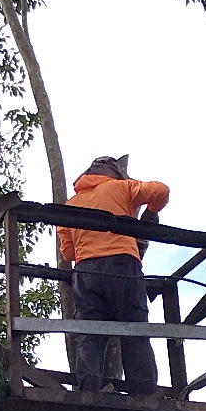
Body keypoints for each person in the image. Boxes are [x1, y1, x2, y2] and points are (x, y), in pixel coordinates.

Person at [56, 154, 170, 396]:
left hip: (86, 273)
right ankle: (143, 393)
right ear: (115, 173)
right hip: (122, 267)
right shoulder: (122, 188)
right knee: (134, 330)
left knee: (91, 336)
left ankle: (88, 391)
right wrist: (147, 213)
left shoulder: (71, 204)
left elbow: (67, 253)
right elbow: (161, 191)